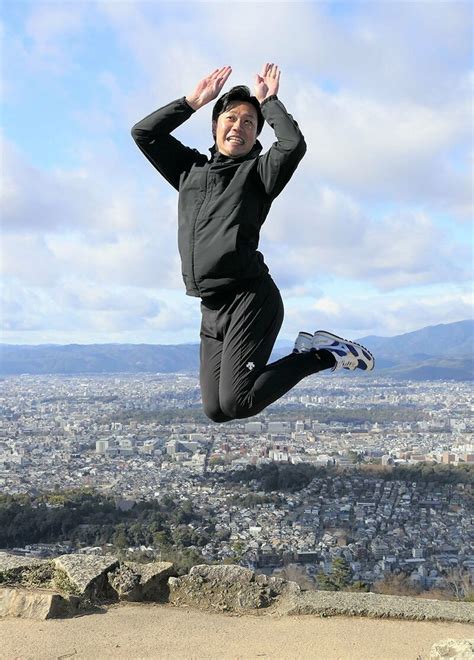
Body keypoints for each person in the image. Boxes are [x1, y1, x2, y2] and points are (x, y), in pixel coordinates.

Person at [131, 63, 374, 423]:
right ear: (215, 126)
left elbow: (292, 144)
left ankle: (323, 354)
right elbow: (144, 134)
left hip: (250, 298)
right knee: (216, 410)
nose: (239, 127)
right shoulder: (189, 171)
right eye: (231, 118)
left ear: (257, 133)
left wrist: (270, 101)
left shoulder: (258, 174)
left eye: (249, 122)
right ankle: (315, 351)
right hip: (211, 306)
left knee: (239, 402)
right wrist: (192, 101)